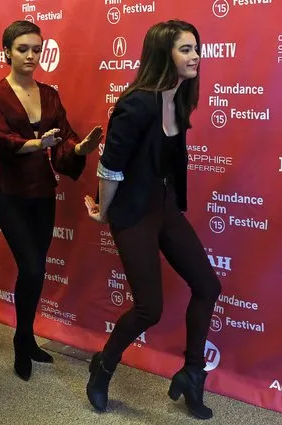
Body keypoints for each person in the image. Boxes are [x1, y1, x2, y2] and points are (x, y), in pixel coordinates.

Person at [84, 20, 221, 419]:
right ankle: (103, 367)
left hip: (164, 207)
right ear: (164, 54)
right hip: (133, 212)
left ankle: (192, 374)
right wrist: (104, 213)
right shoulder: (137, 102)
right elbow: (111, 167)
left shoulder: (178, 99)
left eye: (196, 48)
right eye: (185, 49)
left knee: (208, 286)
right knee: (150, 309)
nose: (195, 56)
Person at [0, 20, 103, 382]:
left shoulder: (49, 94)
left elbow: (64, 138)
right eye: (23, 49)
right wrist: (37, 144)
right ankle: (22, 340)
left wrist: (79, 148)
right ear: (6, 51)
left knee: (36, 272)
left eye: (36, 49)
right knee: (32, 268)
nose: (31, 55)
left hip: (43, 194)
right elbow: (0, 139)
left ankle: (27, 336)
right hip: (10, 193)